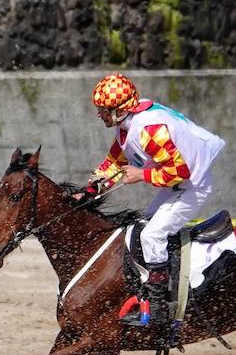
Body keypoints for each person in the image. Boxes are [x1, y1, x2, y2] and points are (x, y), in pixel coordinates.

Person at [82, 73, 225, 333]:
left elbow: (179, 172)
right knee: (139, 227)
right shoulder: (125, 126)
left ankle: (159, 309)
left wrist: (141, 175)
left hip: (192, 185)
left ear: (119, 110)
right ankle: (156, 289)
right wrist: (88, 191)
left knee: (151, 236)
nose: (99, 115)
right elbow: (115, 162)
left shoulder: (149, 130)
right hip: (177, 184)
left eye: (103, 110)